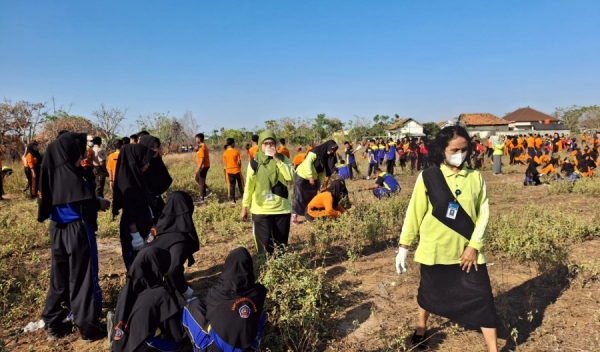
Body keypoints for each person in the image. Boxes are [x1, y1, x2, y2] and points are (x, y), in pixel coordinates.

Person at [395, 125, 497, 351]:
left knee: (483, 298)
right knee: (429, 292)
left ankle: (493, 348)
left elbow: (484, 214)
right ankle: (421, 326)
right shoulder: (429, 177)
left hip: (467, 253)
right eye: (453, 149)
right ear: (442, 150)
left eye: (463, 149)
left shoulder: (475, 178)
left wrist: (474, 246)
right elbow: (415, 212)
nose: (459, 154)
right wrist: (404, 246)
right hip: (436, 249)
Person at [37, 132, 110, 342]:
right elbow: (81, 201)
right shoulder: (72, 176)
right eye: (79, 152)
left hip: (57, 228)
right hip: (77, 230)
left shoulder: (51, 174)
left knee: (59, 278)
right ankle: (89, 328)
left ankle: (54, 323)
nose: (82, 156)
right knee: (84, 278)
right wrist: (97, 203)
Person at [182, 247, 267, 352]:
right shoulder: (259, 293)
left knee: (192, 305)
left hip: (216, 348)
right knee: (262, 314)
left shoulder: (217, 293)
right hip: (246, 348)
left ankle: (196, 347)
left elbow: (210, 314)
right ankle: (255, 346)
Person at [111, 247, 186, 352]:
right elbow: (177, 335)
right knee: (181, 346)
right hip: (144, 346)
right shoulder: (161, 294)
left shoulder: (127, 290)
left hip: (122, 346)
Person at [241, 131, 294, 254]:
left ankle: (279, 270)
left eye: (272, 143)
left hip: (281, 209)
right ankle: (264, 268)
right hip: (261, 210)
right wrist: (244, 207)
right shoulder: (254, 162)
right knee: (263, 246)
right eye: (266, 144)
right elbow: (249, 186)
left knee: (281, 246)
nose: (269, 146)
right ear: (260, 145)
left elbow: (290, 177)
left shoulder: (283, 159)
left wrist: (277, 159)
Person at [145, 191, 199, 300]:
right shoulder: (179, 238)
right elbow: (173, 269)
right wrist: (184, 290)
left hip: (136, 284)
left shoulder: (156, 229)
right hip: (151, 294)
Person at [113, 142, 157, 270]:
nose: (148, 164)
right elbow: (128, 210)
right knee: (136, 261)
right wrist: (135, 234)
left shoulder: (137, 178)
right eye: (145, 161)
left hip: (144, 224)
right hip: (134, 229)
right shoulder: (127, 184)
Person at [292, 140, 338, 224]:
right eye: (331, 149)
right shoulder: (315, 151)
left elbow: (322, 172)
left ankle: (309, 215)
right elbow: (308, 163)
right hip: (302, 175)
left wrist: (321, 183)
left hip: (314, 178)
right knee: (299, 196)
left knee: (312, 197)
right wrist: (310, 176)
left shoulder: (326, 157)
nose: (331, 151)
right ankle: (295, 216)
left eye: (333, 150)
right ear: (327, 146)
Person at [139, 135, 173, 223]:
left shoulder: (157, 162)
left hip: (156, 200)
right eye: (152, 146)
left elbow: (165, 179)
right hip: (143, 203)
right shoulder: (140, 165)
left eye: (157, 147)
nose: (155, 150)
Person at [223, 138, 244, 205]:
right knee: (240, 184)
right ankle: (243, 197)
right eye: (234, 143)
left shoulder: (225, 153)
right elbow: (239, 161)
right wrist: (239, 168)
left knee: (232, 185)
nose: (234, 144)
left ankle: (233, 200)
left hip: (229, 171)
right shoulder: (236, 151)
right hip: (237, 170)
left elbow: (225, 164)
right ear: (232, 143)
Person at [195, 133, 212, 204]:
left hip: (203, 166)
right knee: (197, 178)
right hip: (203, 165)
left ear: (199, 139)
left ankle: (201, 198)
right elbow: (196, 150)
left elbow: (202, 158)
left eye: (196, 138)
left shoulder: (202, 147)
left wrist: (198, 168)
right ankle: (207, 191)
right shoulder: (200, 146)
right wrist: (196, 149)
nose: (195, 140)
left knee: (201, 181)